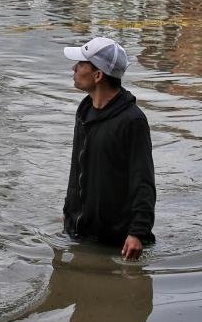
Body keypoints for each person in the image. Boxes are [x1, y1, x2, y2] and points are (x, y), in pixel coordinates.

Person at [62, 37, 156, 260]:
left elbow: (143, 180)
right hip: (80, 232)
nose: (73, 69)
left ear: (98, 75)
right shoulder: (84, 111)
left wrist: (138, 233)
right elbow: (77, 168)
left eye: (80, 65)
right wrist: (69, 212)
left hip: (116, 242)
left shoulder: (132, 121)